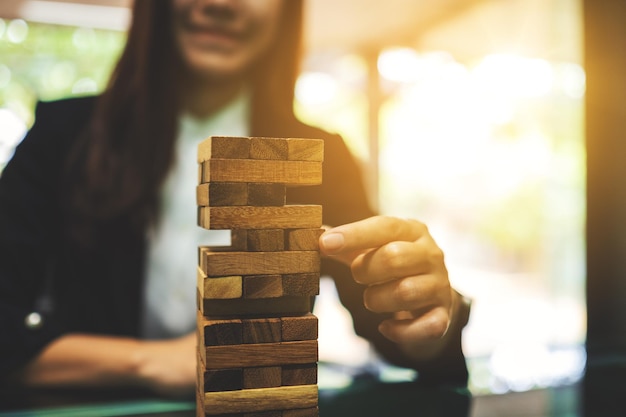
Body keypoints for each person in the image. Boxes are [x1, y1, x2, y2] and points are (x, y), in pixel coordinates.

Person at [0, 0, 470, 398]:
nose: (222, 4)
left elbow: (396, 330)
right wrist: (153, 361)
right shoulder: (61, 138)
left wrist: (426, 315)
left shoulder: (323, 157)